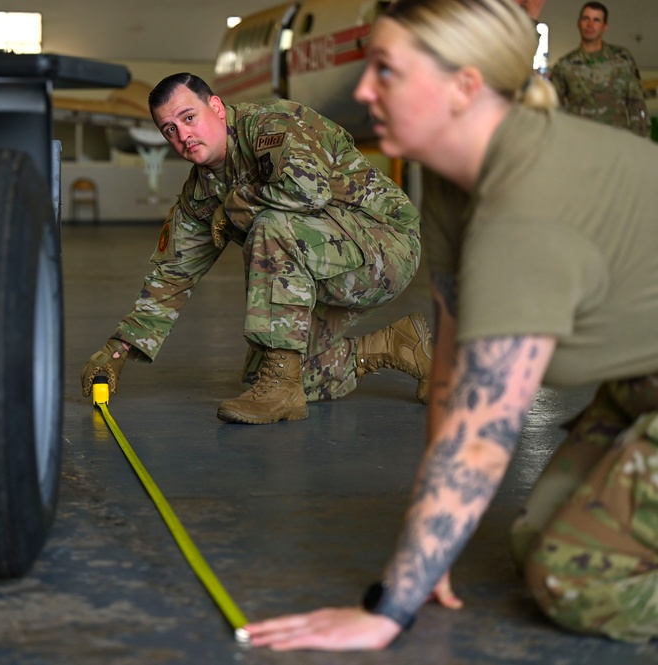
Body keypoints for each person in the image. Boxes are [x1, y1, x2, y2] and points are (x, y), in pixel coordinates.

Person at [246, 0, 658, 650]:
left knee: (579, 580)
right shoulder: (451, 181)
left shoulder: (527, 208)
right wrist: (428, 551)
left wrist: (391, 605)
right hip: (637, 384)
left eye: (386, 71)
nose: (361, 90)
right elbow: (450, 373)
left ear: (465, 87)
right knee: (533, 539)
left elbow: (484, 435)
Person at [80, 73, 433, 425]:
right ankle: (393, 346)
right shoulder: (200, 194)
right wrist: (116, 350)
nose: (183, 135)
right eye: (169, 129)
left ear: (215, 107)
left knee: (271, 225)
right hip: (326, 266)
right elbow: (172, 276)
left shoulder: (269, 126)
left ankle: (282, 387)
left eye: (189, 118)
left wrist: (235, 205)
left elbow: (308, 192)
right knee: (264, 375)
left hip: (385, 247)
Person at [550, 2, 651, 137]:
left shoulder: (622, 60)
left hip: (618, 143)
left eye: (596, 20)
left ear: (605, 27)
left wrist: (641, 143)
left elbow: (637, 104)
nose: (590, 25)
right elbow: (554, 109)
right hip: (582, 143)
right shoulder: (565, 65)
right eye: (586, 19)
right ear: (578, 23)